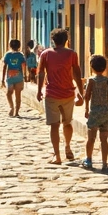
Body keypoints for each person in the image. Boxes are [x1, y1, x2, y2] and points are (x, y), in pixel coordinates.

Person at [36, 28, 83, 165]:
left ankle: (57, 156)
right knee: (67, 123)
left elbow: (40, 73)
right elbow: (77, 73)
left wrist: (39, 91)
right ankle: (67, 147)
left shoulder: (45, 54)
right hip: (68, 94)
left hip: (51, 94)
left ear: (53, 40)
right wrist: (81, 92)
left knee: (54, 126)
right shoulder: (72, 54)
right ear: (66, 40)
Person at [82, 54, 108, 171]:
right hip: (105, 113)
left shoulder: (91, 81)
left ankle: (89, 160)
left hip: (94, 113)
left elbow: (87, 96)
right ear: (105, 67)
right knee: (104, 140)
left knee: (91, 138)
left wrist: (86, 109)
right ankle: (105, 163)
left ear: (92, 67)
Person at [2, 39, 27, 117]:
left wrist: (2, 79)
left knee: (9, 93)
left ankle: (11, 107)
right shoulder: (21, 55)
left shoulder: (7, 55)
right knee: (18, 95)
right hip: (19, 76)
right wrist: (25, 75)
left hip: (10, 76)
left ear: (10, 46)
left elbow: (4, 66)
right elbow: (24, 65)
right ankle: (16, 112)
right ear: (19, 46)